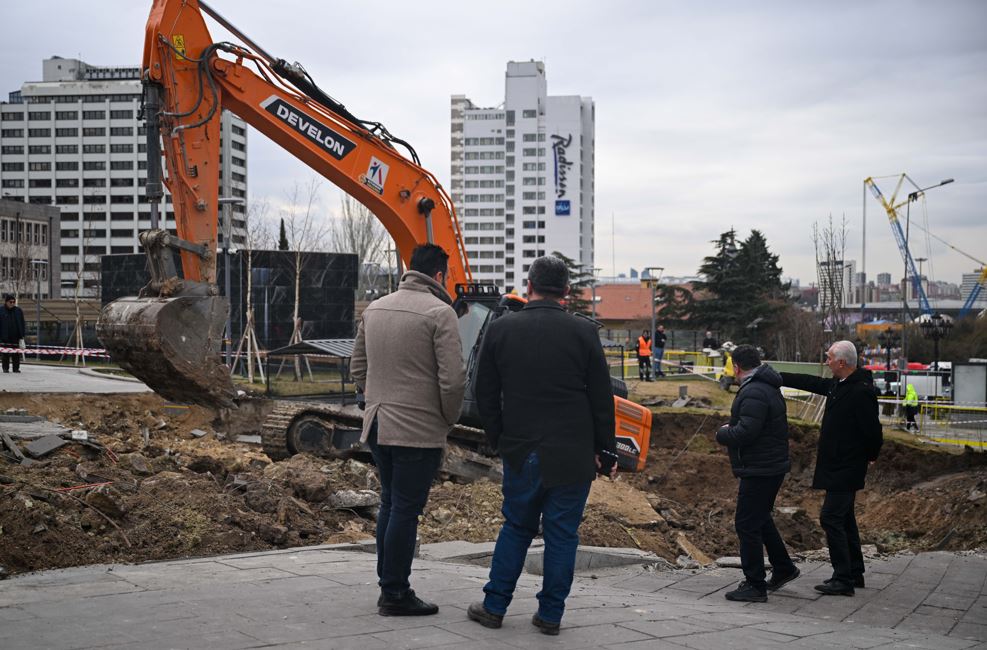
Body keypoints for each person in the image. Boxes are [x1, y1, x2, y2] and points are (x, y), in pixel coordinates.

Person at [467, 255, 616, 636]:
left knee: (516, 527)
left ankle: (494, 606)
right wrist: (607, 450)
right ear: (567, 291)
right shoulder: (584, 333)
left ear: (529, 286)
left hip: (521, 449)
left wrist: (499, 438)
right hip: (573, 453)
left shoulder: (502, 329)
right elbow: (602, 398)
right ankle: (550, 615)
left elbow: (484, 393)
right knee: (562, 535)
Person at [350, 244, 466, 617]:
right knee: (404, 509)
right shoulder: (440, 313)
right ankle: (395, 593)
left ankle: (389, 582)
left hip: (379, 423)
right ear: (438, 276)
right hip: (417, 427)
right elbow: (452, 381)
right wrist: (447, 419)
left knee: (389, 502)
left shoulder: (375, 309)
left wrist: (376, 398)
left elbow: (357, 368)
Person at [780, 340, 883, 596]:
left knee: (831, 517)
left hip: (847, 465)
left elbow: (873, 430)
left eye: (828, 358)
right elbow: (812, 383)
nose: (825, 363)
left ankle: (842, 578)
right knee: (845, 519)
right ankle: (855, 571)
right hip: (838, 464)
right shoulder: (840, 384)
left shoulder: (860, 391)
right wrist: (778, 377)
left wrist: (871, 455)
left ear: (841, 362)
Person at [715, 345, 799, 602]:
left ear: (737, 367)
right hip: (770, 465)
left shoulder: (753, 391)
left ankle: (755, 584)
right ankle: (783, 568)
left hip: (760, 468)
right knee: (760, 518)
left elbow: (747, 432)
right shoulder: (767, 385)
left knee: (746, 523)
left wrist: (723, 433)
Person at [0, 294, 26, 373]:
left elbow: (22, 323)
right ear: (6, 302)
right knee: (5, 354)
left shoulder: (18, 311)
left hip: (15, 337)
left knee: (16, 354)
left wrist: (22, 335)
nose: (12, 303)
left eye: (13, 302)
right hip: (4, 336)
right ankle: (5, 368)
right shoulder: (1, 310)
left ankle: (16, 368)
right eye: (10, 302)